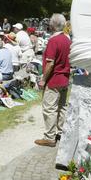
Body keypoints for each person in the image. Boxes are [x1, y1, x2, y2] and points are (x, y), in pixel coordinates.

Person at [35, 13, 71, 148]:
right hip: (65, 78)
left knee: (50, 108)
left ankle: (50, 137)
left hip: (54, 79)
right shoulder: (67, 40)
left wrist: (43, 79)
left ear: (52, 25)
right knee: (62, 107)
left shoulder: (53, 41)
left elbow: (50, 63)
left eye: (50, 22)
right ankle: (61, 133)